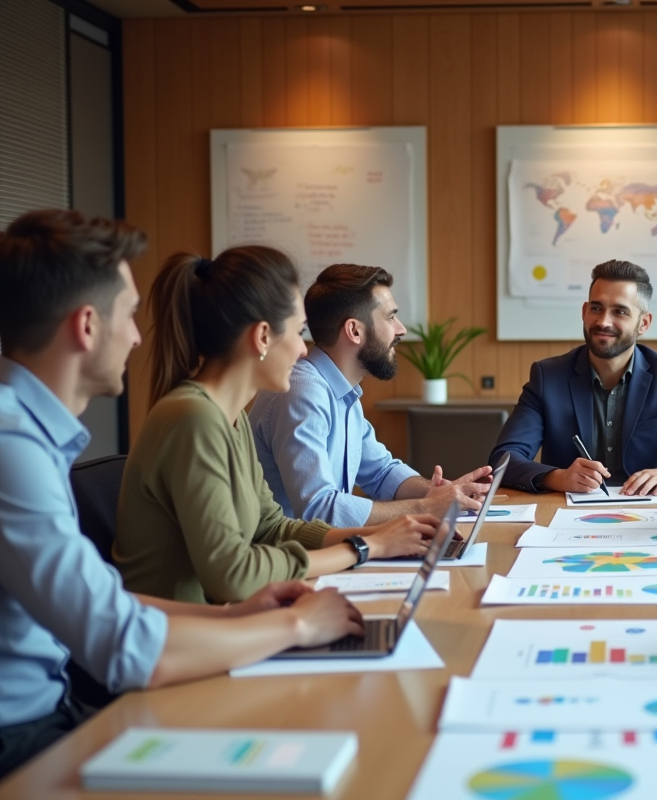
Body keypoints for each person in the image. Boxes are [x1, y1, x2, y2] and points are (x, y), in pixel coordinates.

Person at [0, 210, 362, 779]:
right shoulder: (12, 448)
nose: (139, 336)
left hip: (55, 708)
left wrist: (239, 616)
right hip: (23, 738)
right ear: (87, 325)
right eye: (128, 315)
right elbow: (123, 644)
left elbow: (107, 603)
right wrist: (297, 626)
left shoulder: (28, 437)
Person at [115, 246, 441, 605]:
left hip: (225, 619)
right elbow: (232, 577)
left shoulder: (230, 418)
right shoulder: (193, 419)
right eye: (299, 331)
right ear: (263, 337)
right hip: (182, 638)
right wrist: (366, 547)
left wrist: (383, 537)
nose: (304, 351)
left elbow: (271, 527)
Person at [249, 263, 491, 528]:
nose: (401, 329)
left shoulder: (343, 392)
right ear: (354, 331)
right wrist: (426, 507)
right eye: (390, 317)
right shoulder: (303, 391)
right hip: (291, 561)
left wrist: (440, 493)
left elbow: (382, 471)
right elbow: (318, 509)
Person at [489, 260, 657, 495]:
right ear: (584, 312)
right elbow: (504, 460)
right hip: (565, 514)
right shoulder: (547, 377)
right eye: (596, 308)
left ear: (643, 323)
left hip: (648, 515)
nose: (603, 321)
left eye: (619, 311)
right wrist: (558, 478)